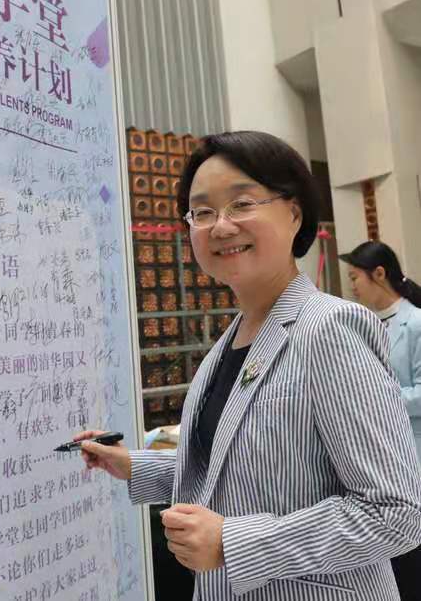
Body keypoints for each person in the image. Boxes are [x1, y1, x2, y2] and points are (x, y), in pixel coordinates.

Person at [77, 131, 421, 600]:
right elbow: (236, 470)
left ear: (294, 214)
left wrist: (234, 543)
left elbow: (395, 512)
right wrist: (131, 465)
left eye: (241, 204)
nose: (220, 226)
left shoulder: (328, 328)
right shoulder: (229, 344)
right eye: (202, 212)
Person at [340, 240, 421, 600]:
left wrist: (375, 401)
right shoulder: (367, 324)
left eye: (354, 278)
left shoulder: (415, 323)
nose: (352, 287)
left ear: (379, 274)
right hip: (381, 453)